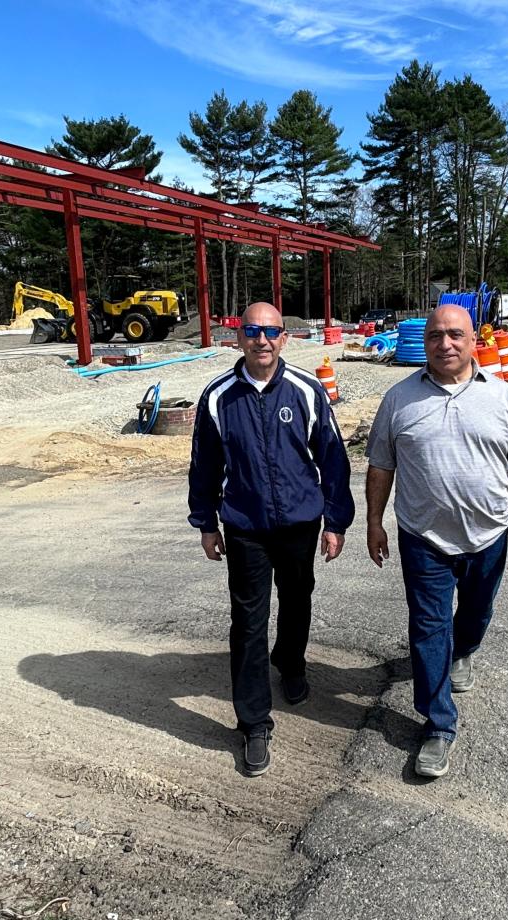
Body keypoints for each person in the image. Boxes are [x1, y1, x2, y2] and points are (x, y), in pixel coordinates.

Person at [365, 305, 508, 778]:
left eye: (455, 335)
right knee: (428, 627)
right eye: (434, 336)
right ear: (423, 342)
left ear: (472, 340)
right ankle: (438, 723)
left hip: (488, 536)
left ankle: (463, 651)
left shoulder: (505, 398)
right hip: (422, 538)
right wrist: (374, 522)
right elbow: (381, 466)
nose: (444, 344)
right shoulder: (398, 399)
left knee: (475, 615)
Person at [189, 301, 355, 777]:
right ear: (237, 337)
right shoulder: (219, 397)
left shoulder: (306, 390)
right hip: (245, 528)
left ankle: (292, 662)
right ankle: (254, 722)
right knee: (247, 622)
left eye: (271, 332)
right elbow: (204, 466)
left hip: (301, 523)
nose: (262, 340)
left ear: (285, 338)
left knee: (298, 598)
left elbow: (333, 459)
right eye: (252, 331)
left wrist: (336, 522)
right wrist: (206, 523)